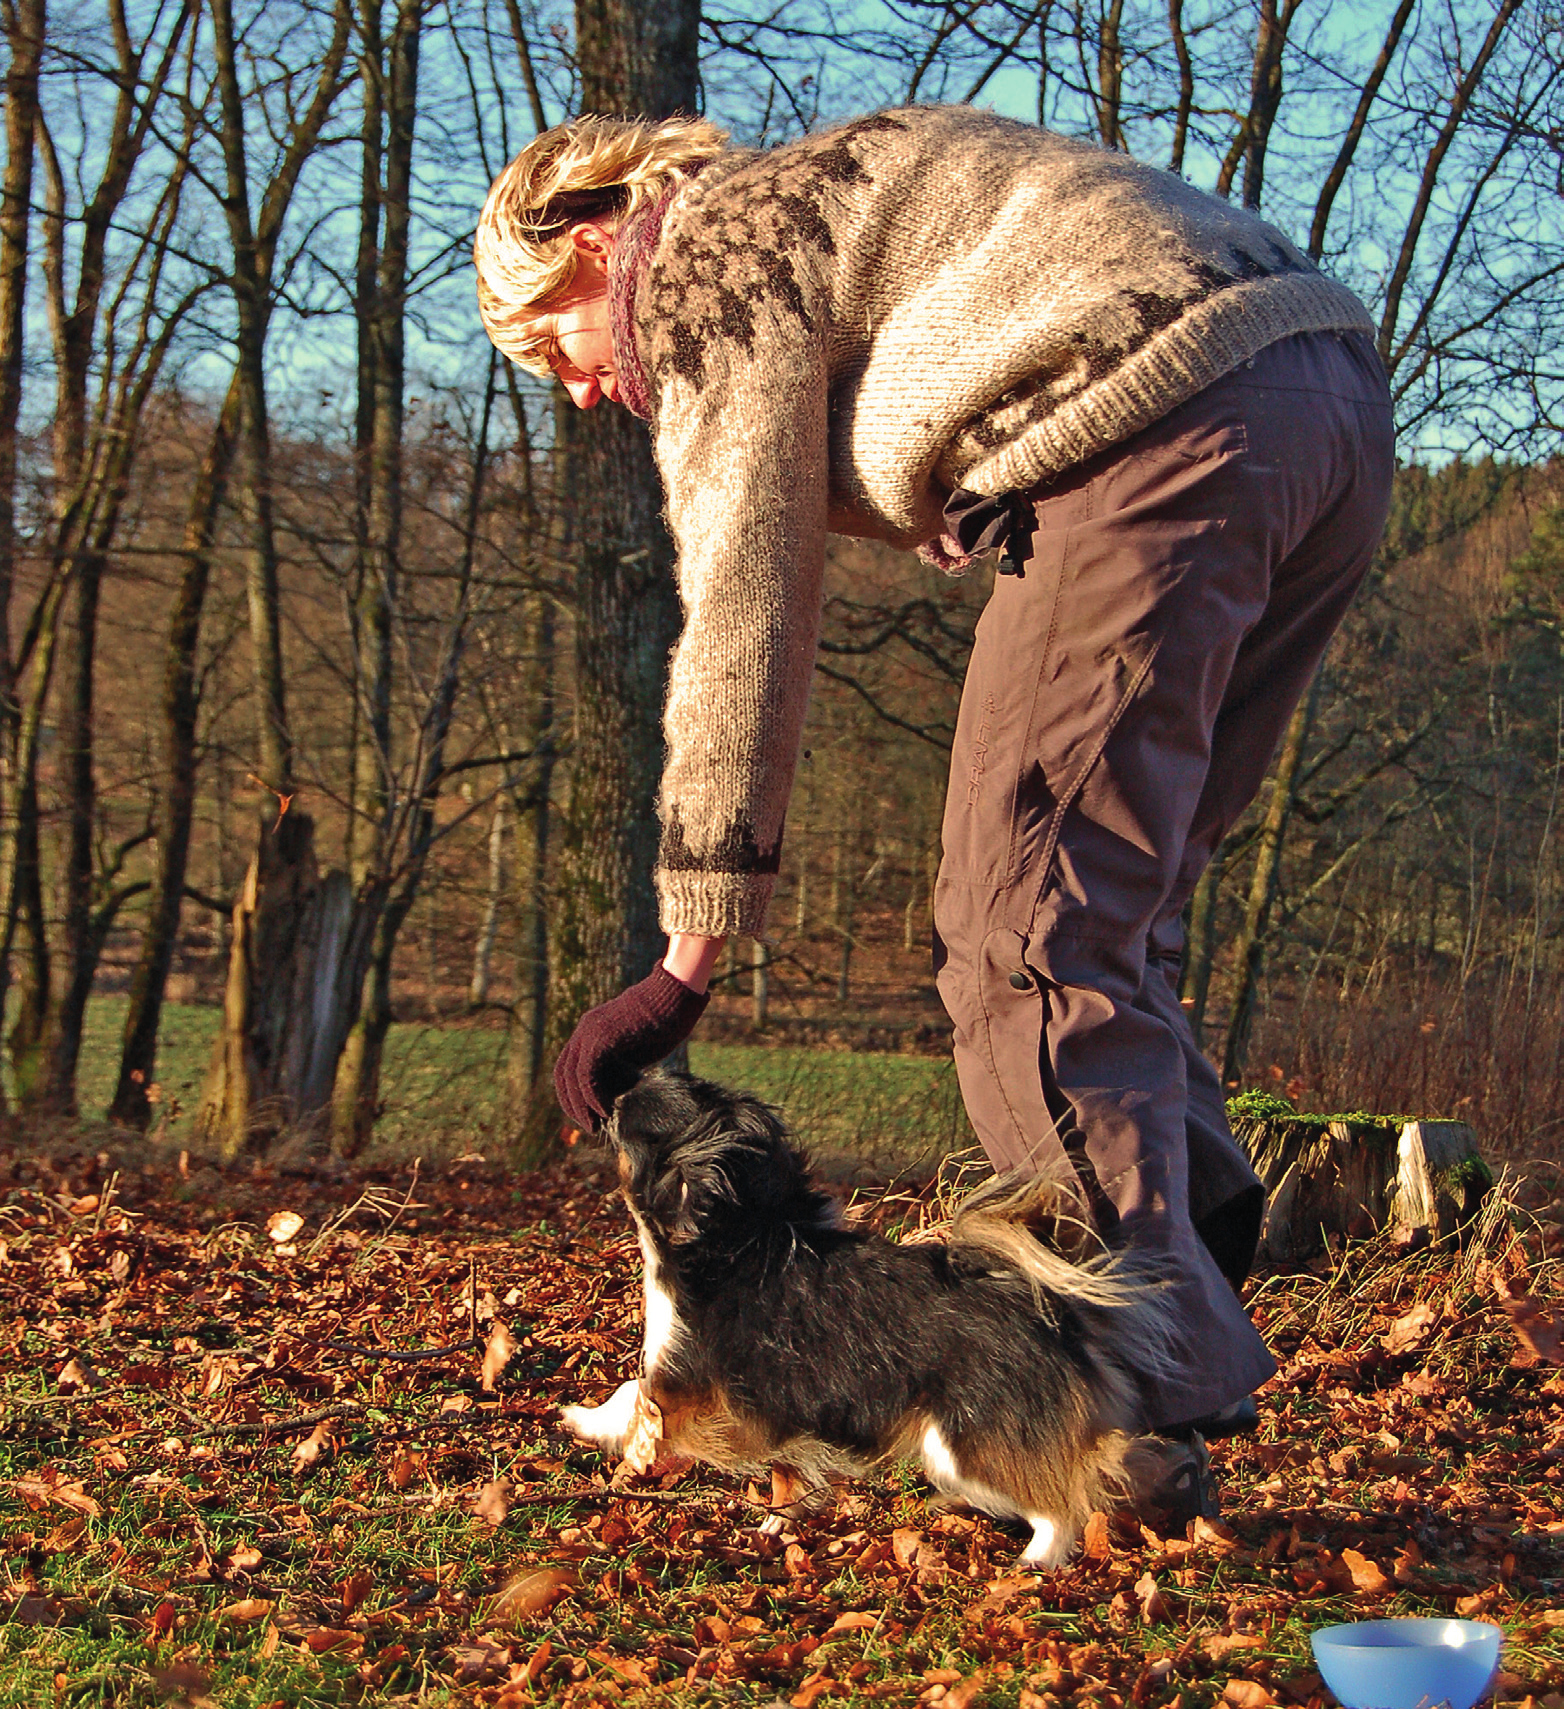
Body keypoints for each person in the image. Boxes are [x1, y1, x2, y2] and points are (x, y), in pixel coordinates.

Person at [473, 104, 1394, 1523]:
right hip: (1321, 390)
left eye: (555, 348)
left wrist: (684, 962)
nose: (581, 390)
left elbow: (742, 612)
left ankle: (1131, 1402)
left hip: (1154, 426)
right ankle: (1190, 1227)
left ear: (596, 250)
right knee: (1111, 919)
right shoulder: (817, 191)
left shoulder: (701, 259)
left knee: (1019, 940)